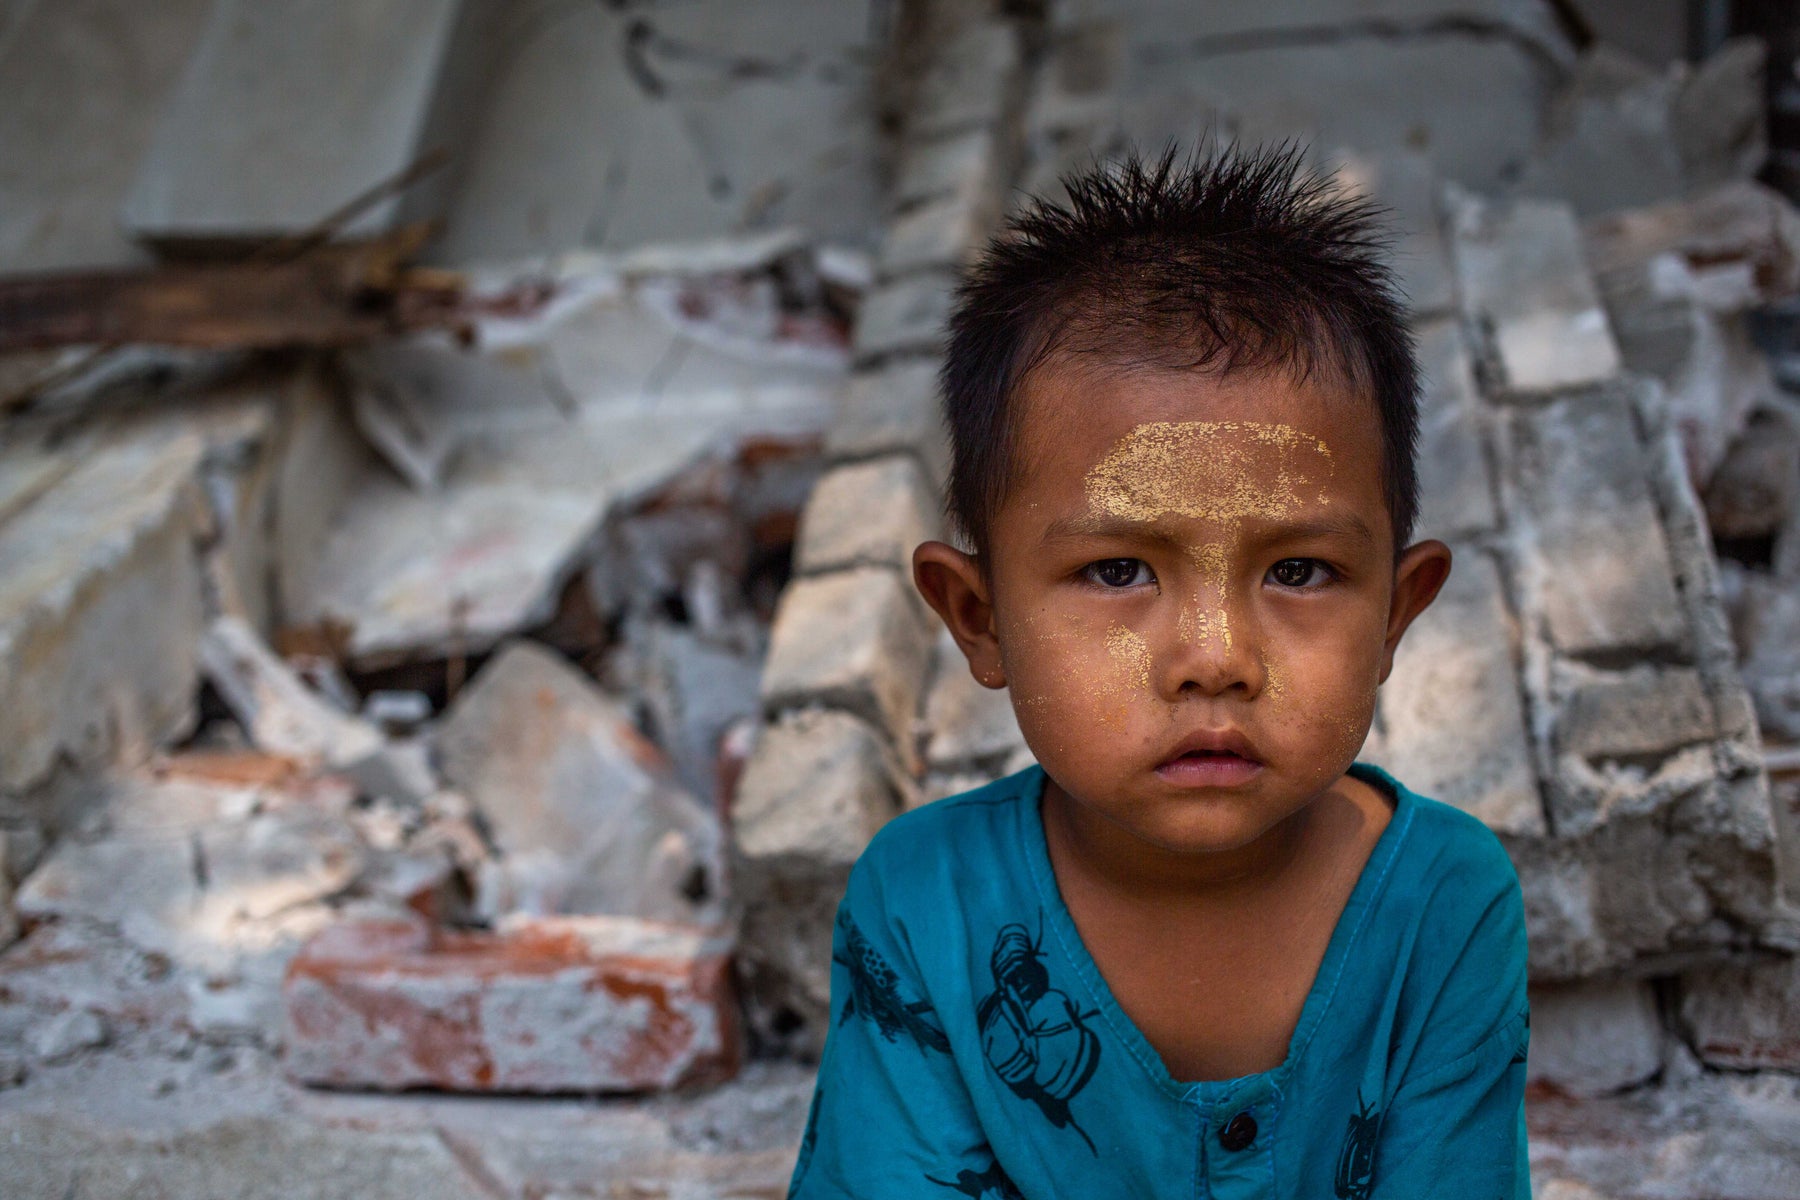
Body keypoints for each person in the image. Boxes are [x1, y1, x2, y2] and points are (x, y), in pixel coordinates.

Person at [785, 143, 1531, 1199]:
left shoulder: (1444, 908)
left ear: (1397, 613)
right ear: (978, 616)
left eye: (1302, 570)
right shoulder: (926, 905)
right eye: (1120, 569)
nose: (1216, 659)